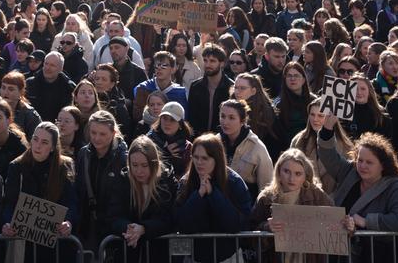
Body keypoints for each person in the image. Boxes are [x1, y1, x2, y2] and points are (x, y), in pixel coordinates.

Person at [315, 120, 398, 260]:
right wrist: (327, 128)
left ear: (383, 165)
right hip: (339, 253)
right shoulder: (350, 172)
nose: (362, 166)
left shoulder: (395, 188)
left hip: (375, 256)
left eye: (369, 162)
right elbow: (328, 156)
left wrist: (366, 221)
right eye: (360, 160)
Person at [251, 148, 348, 263]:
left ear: (305, 176)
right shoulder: (266, 198)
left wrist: (348, 225)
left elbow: (337, 225)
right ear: (278, 171)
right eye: (286, 171)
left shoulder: (316, 195)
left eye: (298, 174)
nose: (291, 179)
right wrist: (266, 227)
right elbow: (250, 233)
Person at [1, 122, 77, 262]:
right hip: (25, 245)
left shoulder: (64, 168)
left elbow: (71, 202)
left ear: (53, 147)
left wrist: (69, 222)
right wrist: (7, 223)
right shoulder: (16, 167)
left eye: (44, 142)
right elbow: (8, 204)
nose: (37, 145)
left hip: (56, 245)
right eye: (35, 139)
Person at [175, 133, 252, 263]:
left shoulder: (234, 182)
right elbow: (180, 223)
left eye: (205, 158)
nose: (199, 162)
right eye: (196, 157)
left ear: (216, 159)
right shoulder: (185, 182)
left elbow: (238, 224)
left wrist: (213, 194)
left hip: (227, 257)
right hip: (194, 257)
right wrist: (198, 195)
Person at [106, 136, 175, 263]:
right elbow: (114, 216)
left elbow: (168, 219)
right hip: (128, 253)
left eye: (144, 165)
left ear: (153, 164)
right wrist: (129, 229)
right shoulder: (123, 181)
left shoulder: (165, 182)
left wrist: (144, 229)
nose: (139, 171)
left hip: (158, 253)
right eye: (135, 165)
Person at [74, 109, 127, 247]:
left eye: (102, 134)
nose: (97, 138)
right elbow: (79, 188)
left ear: (113, 133)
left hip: (112, 226)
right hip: (87, 224)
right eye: (93, 133)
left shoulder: (123, 158)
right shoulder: (83, 154)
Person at [217, 98, 273, 196]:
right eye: (222, 116)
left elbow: (266, 186)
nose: (225, 122)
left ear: (242, 121)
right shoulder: (215, 142)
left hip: (245, 205)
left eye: (231, 118)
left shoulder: (257, 147)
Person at [186, 45, 232, 135]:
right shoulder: (195, 86)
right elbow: (191, 117)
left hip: (222, 139)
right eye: (205, 60)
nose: (207, 65)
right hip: (198, 138)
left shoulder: (231, 87)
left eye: (212, 61)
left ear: (222, 63)